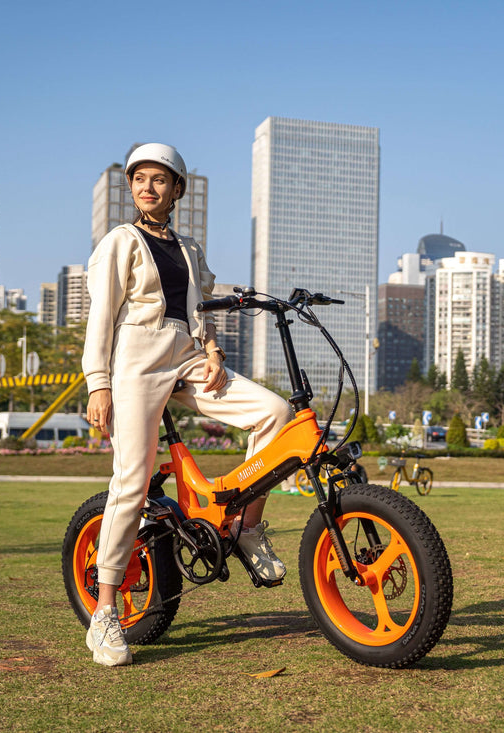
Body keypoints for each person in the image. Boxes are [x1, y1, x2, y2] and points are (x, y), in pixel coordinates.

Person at [82, 143, 292, 667]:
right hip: (137, 360)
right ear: (130, 188)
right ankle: (105, 611)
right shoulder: (120, 242)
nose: (148, 187)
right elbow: (101, 317)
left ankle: (245, 526)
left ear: (177, 189)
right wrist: (98, 384)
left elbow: (200, 309)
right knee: (133, 479)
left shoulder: (190, 247)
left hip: (190, 357)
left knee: (276, 413)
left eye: (160, 180)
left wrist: (214, 349)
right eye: (139, 179)